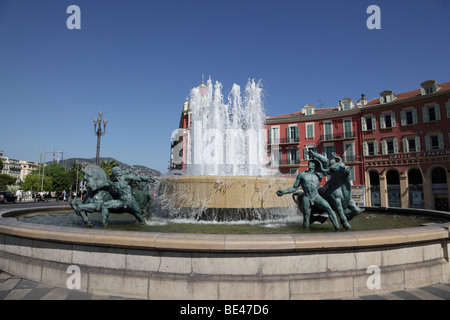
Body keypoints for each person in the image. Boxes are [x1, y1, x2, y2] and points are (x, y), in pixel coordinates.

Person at [277, 157, 340, 229]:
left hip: (316, 197)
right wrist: (283, 192)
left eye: (312, 162)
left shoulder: (319, 175)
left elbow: (325, 161)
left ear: (315, 165)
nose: (310, 162)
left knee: (329, 210)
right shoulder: (302, 174)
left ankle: (337, 228)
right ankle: (305, 232)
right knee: (306, 217)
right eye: (310, 162)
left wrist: (314, 155)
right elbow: (294, 187)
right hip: (306, 197)